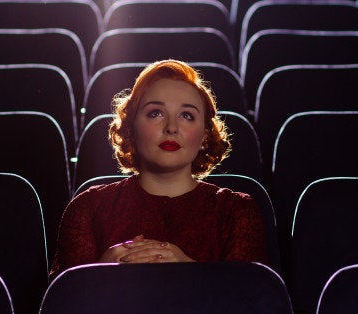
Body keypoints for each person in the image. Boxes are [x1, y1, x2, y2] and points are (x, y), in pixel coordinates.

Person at [50, 59, 267, 277]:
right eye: (155, 113)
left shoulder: (237, 211)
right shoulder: (88, 208)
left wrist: (190, 271)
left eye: (187, 115)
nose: (171, 127)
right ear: (131, 128)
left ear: (204, 136)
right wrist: (98, 274)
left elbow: (252, 302)